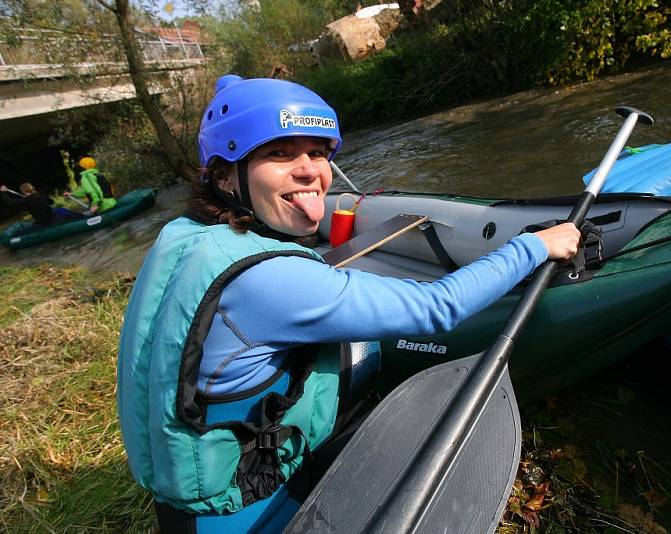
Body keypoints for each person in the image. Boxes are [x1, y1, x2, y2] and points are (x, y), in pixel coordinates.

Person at [117, 75, 581, 533]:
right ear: (224, 174)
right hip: (240, 506)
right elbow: (437, 307)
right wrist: (534, 247)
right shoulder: (267, 280)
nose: (309, 170)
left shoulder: (186, 235)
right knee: (361, 349)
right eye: (279, 153)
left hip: (187, 493)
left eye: (317, 153)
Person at [0, 182, 81, 227]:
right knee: (58, 211)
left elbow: (9, 202)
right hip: (53, 218)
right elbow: (52, 202)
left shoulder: (25, 200)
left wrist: (3, 192)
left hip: (44, 223)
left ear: (23, 192)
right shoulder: (41, 196)